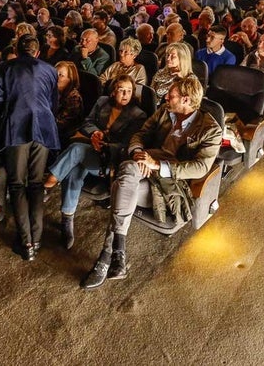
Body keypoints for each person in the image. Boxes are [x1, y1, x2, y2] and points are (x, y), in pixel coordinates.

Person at [81, 76, 222, 289]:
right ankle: (117, 253)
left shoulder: (210, 129)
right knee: (127, 171)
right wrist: (138, 152)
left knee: (120, 188)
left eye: (172, 96)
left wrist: (157, 165)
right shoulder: (166, 111)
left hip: (169, 184)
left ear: (185, 100)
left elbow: (200, 167)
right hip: (143, 165)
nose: (166, 97)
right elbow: (141, 133)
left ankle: (107, 257)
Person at [43, 75, 146, 249]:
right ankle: (67, 219)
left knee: (76, 150)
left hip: (111, 160)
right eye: (121, 90)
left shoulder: (138, 115)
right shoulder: (102, 102)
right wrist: (95, 134)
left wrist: (105, 145)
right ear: (113, 91)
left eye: (129, 91)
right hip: (90, 150)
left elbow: (127, 145)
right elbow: (88, 122)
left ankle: (47, 184)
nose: (125, 94)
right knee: (75, 168)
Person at [0, 35, 59, 261]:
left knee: (18, 184)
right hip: (44, 127)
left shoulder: (3, 68)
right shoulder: (50, 70)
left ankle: (26, 242)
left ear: (17, 51)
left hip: (16, 127)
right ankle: (37, 239)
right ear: (37, 52)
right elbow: (53, 103)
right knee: (36, 183)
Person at [54, 61, 84, 146]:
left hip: (64, 134)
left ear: (70, 79)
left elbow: (63, 123)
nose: (56, 77)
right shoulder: (52, 91)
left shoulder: (74, 97)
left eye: (61, 75)